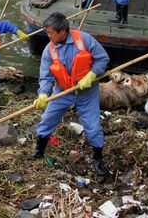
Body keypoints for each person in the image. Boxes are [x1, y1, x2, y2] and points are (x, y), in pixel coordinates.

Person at [31, 13, 110, 175]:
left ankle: (98, 159)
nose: (48, 35)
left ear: (63, 31)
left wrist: (92, 74)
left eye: (50, 32)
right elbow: (46, 76)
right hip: (62, 91)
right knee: (47, 119)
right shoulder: (49, 50)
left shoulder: (84, 40)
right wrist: (43, 94)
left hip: (86, 92)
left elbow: (102, 59)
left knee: (93, 127)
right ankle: (39, 151)